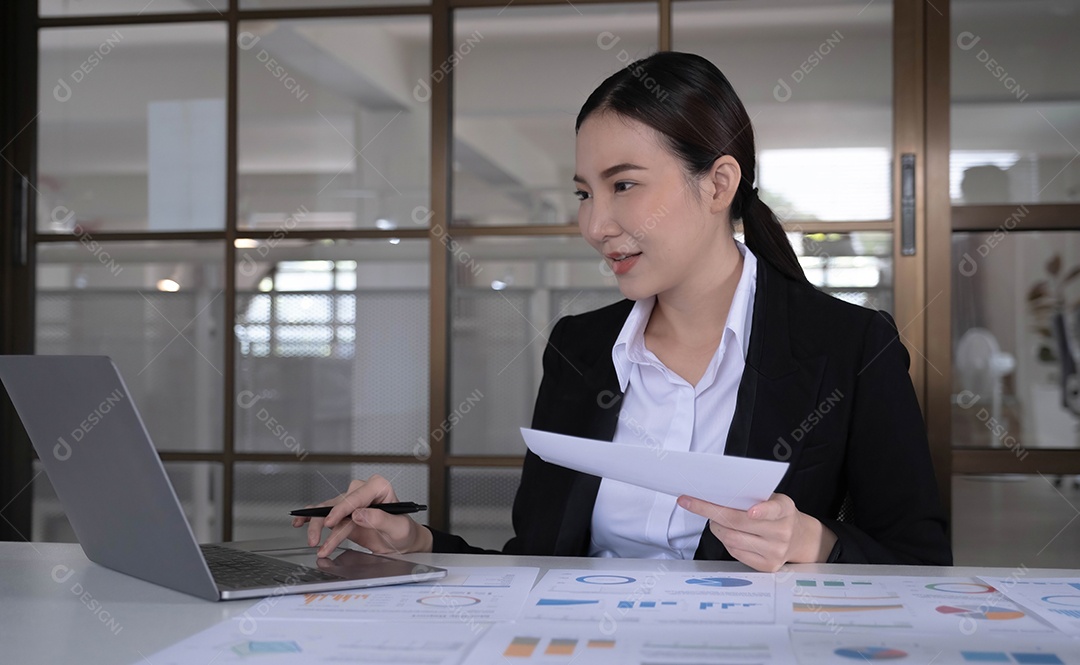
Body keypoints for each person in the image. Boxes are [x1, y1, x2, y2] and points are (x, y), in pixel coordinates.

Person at [293, 51, 952, 572]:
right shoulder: (579, 348)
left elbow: (921, 559)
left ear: (719, 183)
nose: (595, 223)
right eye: (584, 192)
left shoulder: (849, 345)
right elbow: (539, 562)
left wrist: (815, 543)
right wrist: (413, 539)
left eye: (624, 185)